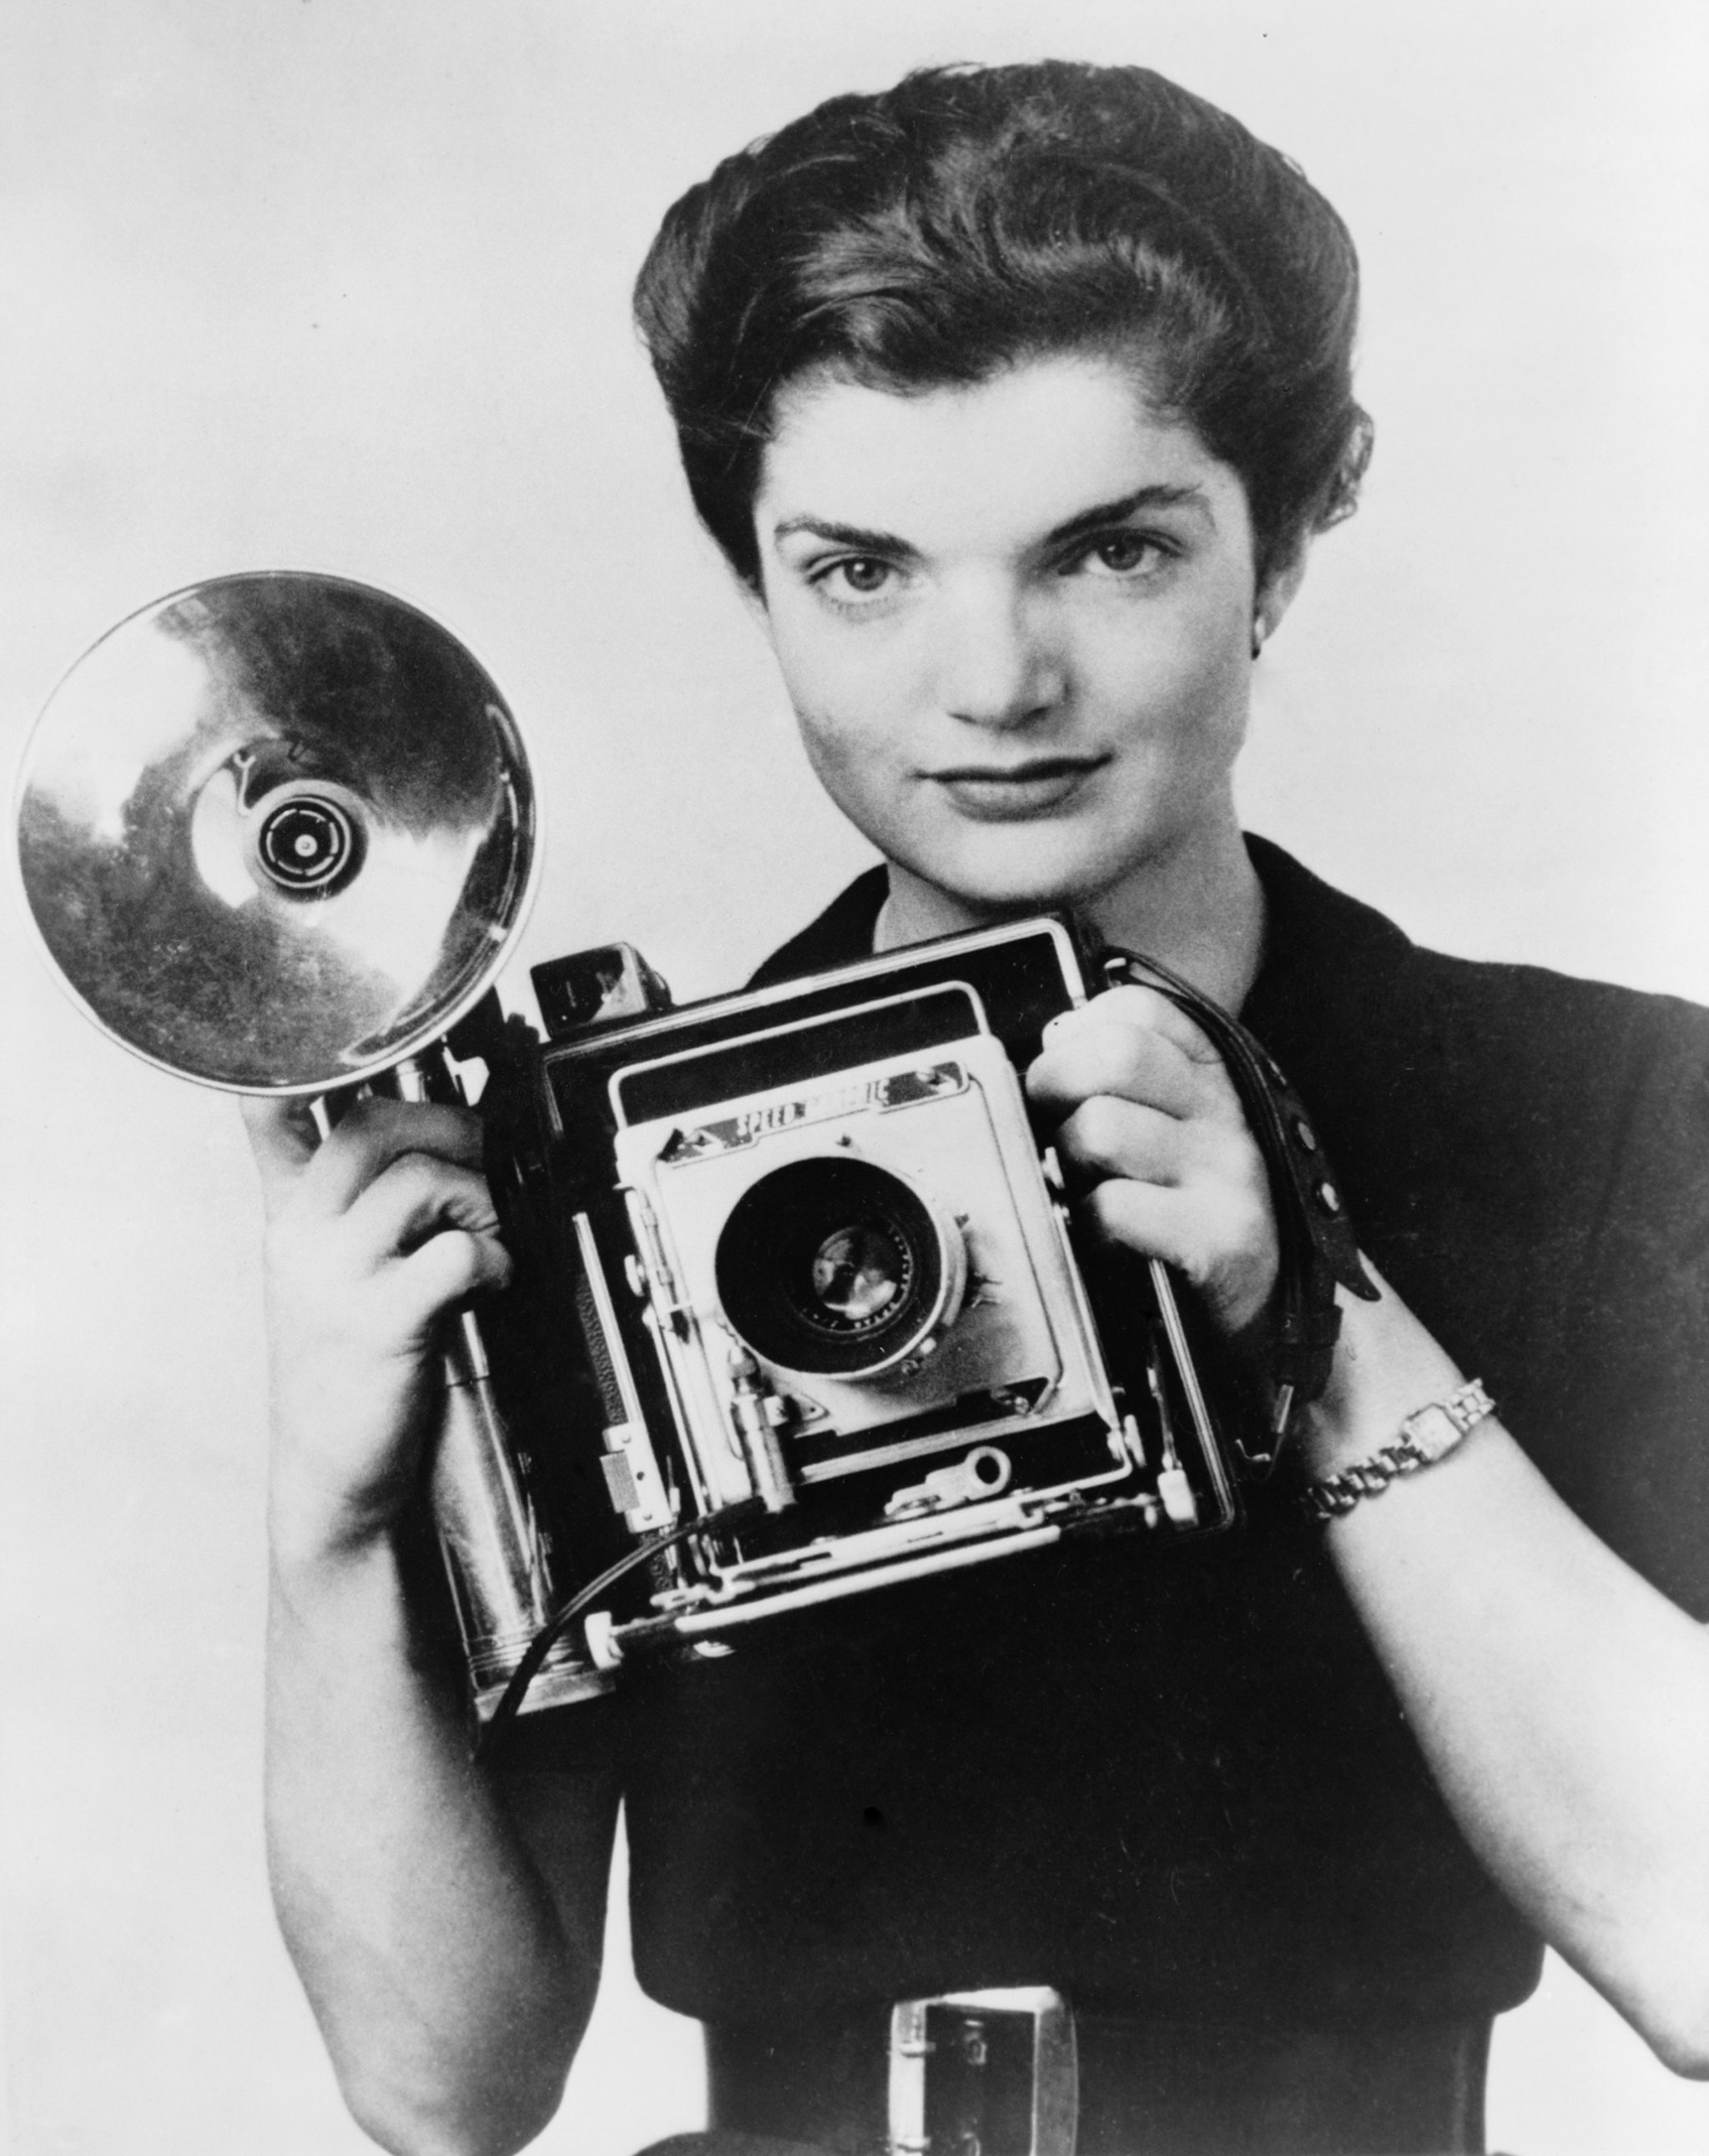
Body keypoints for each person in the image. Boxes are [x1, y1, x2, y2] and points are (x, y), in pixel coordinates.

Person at [241, 59, 1709, 2156]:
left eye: (1111, 550)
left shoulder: (1607, 1113)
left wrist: (1318, 1320)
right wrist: (330, 1525)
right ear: (750, 572)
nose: (995, 680)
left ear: (1291, 532)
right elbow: (440, 2085)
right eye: (862, 569)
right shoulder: (594, 1176)